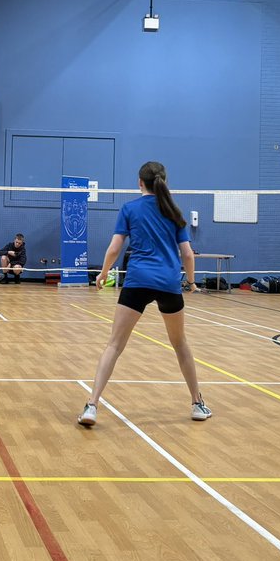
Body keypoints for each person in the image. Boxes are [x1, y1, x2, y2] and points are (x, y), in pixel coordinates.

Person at [77, 162, 210, 427]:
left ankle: (92, 405)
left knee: (114, 345)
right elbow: (187, 254)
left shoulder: (129, 209)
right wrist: (192, 282)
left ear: (140, 182)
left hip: (137, 281)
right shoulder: (173, 211)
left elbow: (115, 249)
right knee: (180, 344)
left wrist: (103, 273)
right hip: (169, 283)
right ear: (164, 181)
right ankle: (197, 403)